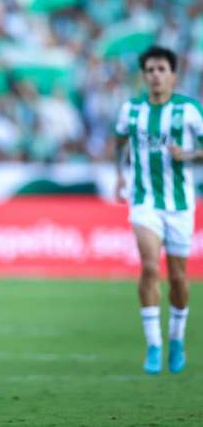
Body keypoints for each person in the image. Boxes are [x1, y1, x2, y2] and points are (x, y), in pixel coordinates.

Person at [115, 46, 203, 375]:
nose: (155, 75)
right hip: (145, 201)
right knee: (151, 268)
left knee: (179, 277)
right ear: (144, 74)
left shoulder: (190, 110)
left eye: (161, 69)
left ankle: (176, 338)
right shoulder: (131, 109)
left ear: (173, 75)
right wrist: (120, 175)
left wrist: (190, 155)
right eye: (150, 69)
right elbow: (119, 143)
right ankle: (154, 345)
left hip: (180, 204)